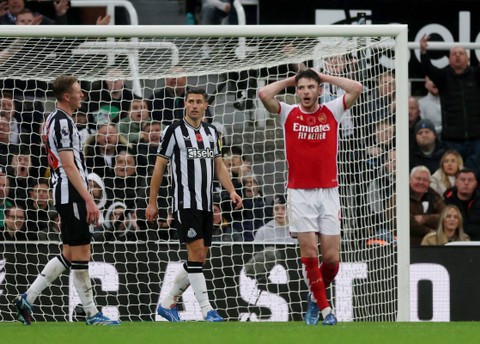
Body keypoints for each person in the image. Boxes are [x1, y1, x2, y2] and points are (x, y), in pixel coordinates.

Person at [259, 68, 363, 325]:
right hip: (299, 193)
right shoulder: (288, 113)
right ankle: (325, 310)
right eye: (301, 88)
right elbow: (263, 93)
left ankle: (315, 298)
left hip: (328, 192)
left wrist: (323, 77)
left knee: (332, 260)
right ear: (297, 91)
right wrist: (293, 79)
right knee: (309, 252)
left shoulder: (332, 111)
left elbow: (356, 88)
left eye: (310, 87)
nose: (306, 92)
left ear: (320, 91)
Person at [14, 75, 119, 325]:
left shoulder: (53, 119)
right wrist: (89, 200)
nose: (82, 94)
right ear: (66, 96)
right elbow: (69, 166)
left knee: (71, 252)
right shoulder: (62, 122)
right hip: (70, 191)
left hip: (65, 191)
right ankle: (92, 313)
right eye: (78, 91)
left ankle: (28, 297)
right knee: (82, 251)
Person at [146, 87, 242, 322]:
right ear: (185, 104)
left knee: (199, 259)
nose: (195, 105)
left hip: (207, 205)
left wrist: (232, 191)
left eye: (199, 101)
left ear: (206, 105)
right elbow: (159, 166)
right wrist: (152, 202)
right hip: (185, 203)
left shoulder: (212, 132)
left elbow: (218, 164)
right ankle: (207, 310)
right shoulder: (173, 131)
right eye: (190, 101)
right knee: (196, 254)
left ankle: (168, 303)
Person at [420, 35, 480, 162]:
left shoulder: (476, 75)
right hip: (452, 140)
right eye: (454, 53)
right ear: (449, 59)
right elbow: (428, 69)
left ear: (468, 58)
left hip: (476, 138)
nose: (458, 55)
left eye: (461, 53)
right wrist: (423, 52)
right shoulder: (443, 77)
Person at [409, 165, 445, 246]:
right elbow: (406, 223)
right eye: (418, 178)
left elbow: (444, 217)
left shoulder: (434, 196)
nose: (421, 182)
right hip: (406, 244)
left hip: (431, 245)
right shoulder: (399, 196)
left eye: (425, 180)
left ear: (429, 183)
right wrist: (430, 232)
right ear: (410, 179)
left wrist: (424, 219)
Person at [443, 168, 480, 241]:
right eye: (463, 180)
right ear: (456, 182)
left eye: (470, 180)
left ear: (475, 184)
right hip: (452, 242)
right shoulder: (446, 202)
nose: (466, 183)